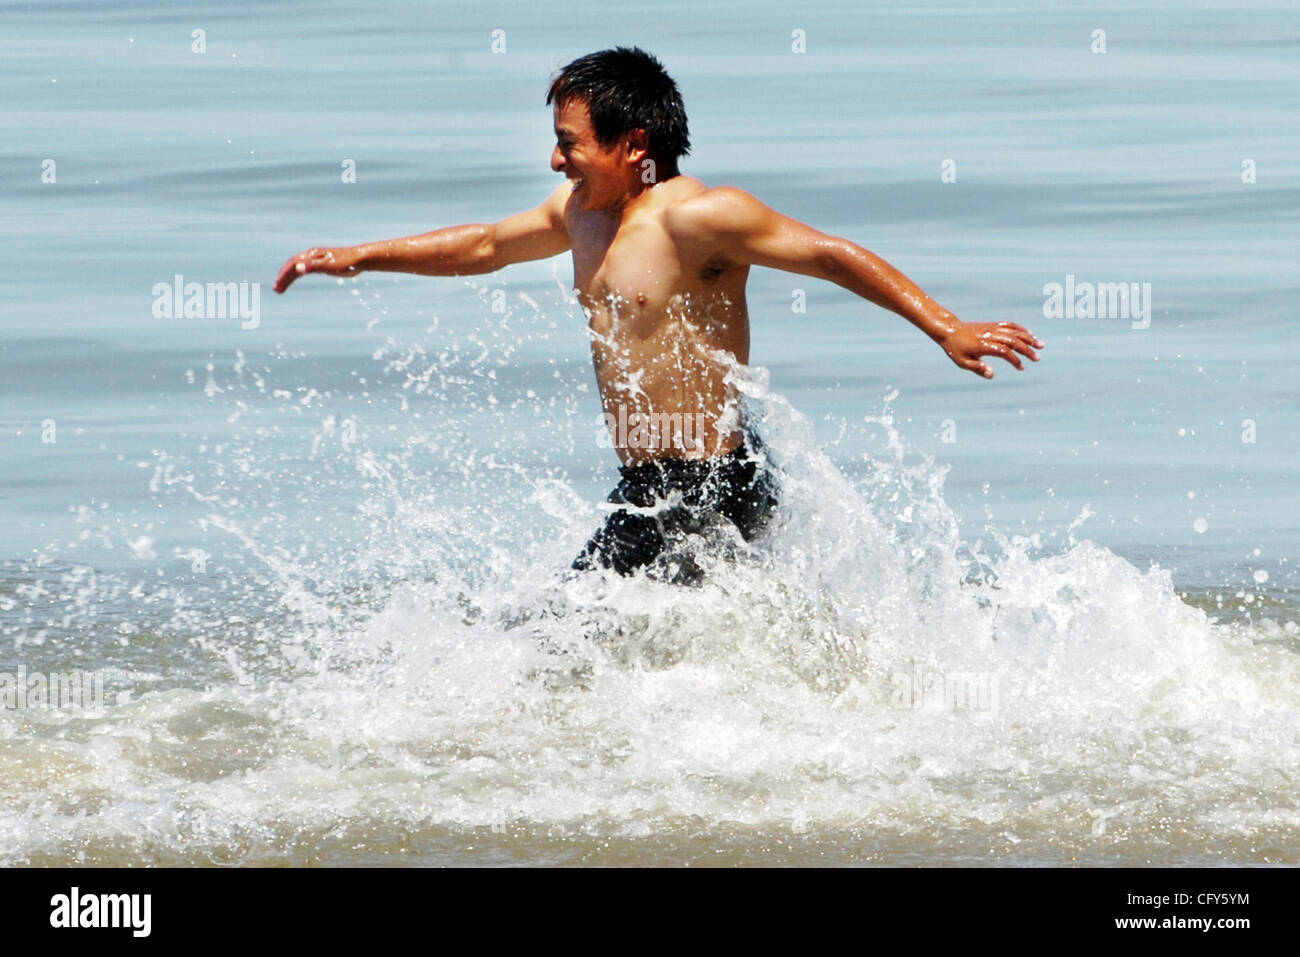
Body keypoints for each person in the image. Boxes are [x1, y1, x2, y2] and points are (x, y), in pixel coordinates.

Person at [274, 46, 1043, 583]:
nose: (555, 162)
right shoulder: (580, 214)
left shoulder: (701, 219)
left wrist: (946, 326)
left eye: (568, 145)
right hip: (646, 481)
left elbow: (832, 255)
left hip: (712, 480)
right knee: (613, 643)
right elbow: (479, 246)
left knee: (561, 644)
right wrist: (356, 255)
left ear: (633, 142)